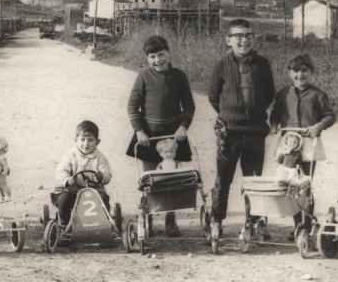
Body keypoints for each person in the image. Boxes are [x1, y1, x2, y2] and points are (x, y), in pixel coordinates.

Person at [208, 19, 275, 237]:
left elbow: (269, 94)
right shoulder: (220, 64)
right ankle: (216, 220)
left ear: (253, 38)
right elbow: (213, 96)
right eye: (238, 36)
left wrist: (253, 113)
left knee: (254, 180)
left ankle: (253, 220)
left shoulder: (262, 64)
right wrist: (231, 114)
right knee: (223, 179)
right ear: (228, 40)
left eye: (248, 35)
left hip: (255, 132)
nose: (243, 40)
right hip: (229, 133)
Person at [126, 35, 195, 237]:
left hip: (172, 138)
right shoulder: (143, 77)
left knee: (171, 180)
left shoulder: (179, 76)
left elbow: (189, 106)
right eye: (153, 57)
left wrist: (183, 127)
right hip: (149, 137)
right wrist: (139, 131)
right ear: (147, 58)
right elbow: (132, 105)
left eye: (161, 55)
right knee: (150, 180)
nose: (158, 60)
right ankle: (146, 218)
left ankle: (170, 219)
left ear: (168, 53)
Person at [269, 54, 336, 240]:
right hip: (289, 143)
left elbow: (330, 116)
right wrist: (274, 124)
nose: (300, 74)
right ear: (289, 73)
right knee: (289, 183)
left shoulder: (318, 95)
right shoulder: (283, 93)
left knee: (304, 184)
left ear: (311, 72)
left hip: (308, 145)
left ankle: (306, 225)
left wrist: (318, 126)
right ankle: (297, 224)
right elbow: (275, 113)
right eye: (296, 71)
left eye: (304, 70)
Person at [52, 120, 112, 228]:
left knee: (103, 199)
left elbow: (107, 173)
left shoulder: (100, 157)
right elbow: (61, 170)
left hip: (94, 190)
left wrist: (102, 176)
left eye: (90, 140)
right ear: (76, 140)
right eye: (82, 139)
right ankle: (64, 225)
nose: (86, 144)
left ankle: (104, 226)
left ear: (97, 142)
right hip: (73, 190)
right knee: (63, 199)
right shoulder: (70, 155)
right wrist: (67, 179)